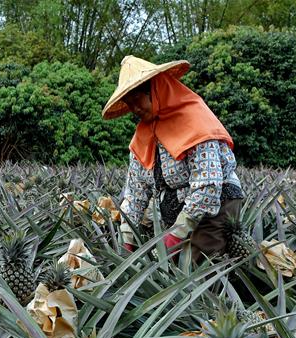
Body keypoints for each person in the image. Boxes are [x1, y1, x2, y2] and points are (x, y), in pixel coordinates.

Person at [102, 56, 244, 261]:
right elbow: (135, 191)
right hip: (179, 211)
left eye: (137, 99)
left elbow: (208, 185)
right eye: (129, 102)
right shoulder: (143, 135)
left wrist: (177, 233)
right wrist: (127, 237)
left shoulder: (195, 120)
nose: (134, 108)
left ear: (156, 90)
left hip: (217, 204)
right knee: (171, 267)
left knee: (195, 266)